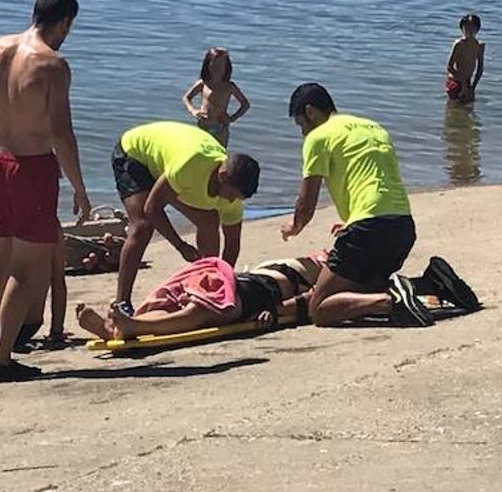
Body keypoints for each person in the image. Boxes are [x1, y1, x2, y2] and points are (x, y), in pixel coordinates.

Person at [0, 0, 91, 383]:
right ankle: (1, 361)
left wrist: (1, 125)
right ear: (64, 21)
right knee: (27, 269)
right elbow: (62, 134)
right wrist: (79, 188)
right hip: (32, 167)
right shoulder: (53, 65)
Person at [279, 83, 478, 328]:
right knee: (362, 288)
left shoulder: (318, 137)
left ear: (310, 112)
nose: (302, 133)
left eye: (301, 125)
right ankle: (428, 284)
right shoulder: (373, 127)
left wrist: (293, 227)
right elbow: (373, 180)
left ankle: (391, 301)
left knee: (319, 308)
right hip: (402, 227)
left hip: (369, 229)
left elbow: (306, 204)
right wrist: (353, 221)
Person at [76, 251, 479, 340]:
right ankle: (130, 325)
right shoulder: (322, 273)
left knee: (191, 303)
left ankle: (128, 323)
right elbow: (305, 305)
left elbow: (302, 304)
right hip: (255, 288)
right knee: (207, 311)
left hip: (248, 280)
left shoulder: (312, 264)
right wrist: (276, 313)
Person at [110, 121, 261, 314]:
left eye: (237, 198)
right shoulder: (191, 165)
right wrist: (180, 245)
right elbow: (152, 208)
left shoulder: (233, 199)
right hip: (134, 154)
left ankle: (205, 289)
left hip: (172, 173)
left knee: (209, 221)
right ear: (222, 176)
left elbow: (232, 245)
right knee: (143, 227)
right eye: (231, 194)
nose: (232, 200)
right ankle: (121, 302)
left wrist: (224, 283)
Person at [181, 47, 251, 147]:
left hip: (220, 126)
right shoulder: (203, 84)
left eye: (220, 66)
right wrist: (193, 110)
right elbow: (186, 97)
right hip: (203, 125)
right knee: (201, 152)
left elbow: (245, 105)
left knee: (220, 156)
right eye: (214, 65)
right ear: (208, 65)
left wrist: (232, 118)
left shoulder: (229, 86)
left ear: (226, 67)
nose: (217, 68)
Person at [445, 14, 484, 103]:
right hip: (455, 80)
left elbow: (480, 68)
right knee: (454, 108)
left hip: (467, 81)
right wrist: (463, 84)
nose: (469, 31)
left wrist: (473, 87)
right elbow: (449, 67)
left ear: (477, 29)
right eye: (466, 27)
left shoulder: (479, 45)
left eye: (472, 28)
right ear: (461, 28)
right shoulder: (459, 44)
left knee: (468, 107)